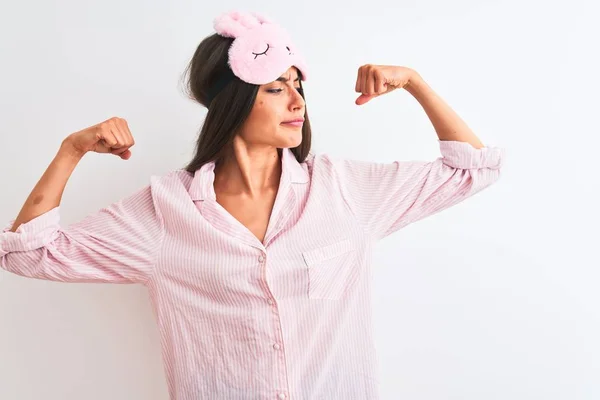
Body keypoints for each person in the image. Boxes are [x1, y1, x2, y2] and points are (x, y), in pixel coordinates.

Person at [0, 10, 504, 400]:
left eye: (298, 85)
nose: (297, 102)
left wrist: (414, 81)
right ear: (233, 103)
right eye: (275, 87)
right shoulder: (164, 211)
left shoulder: (343, 189)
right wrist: (72, 151)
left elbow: (472, 169)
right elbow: (27, 254)